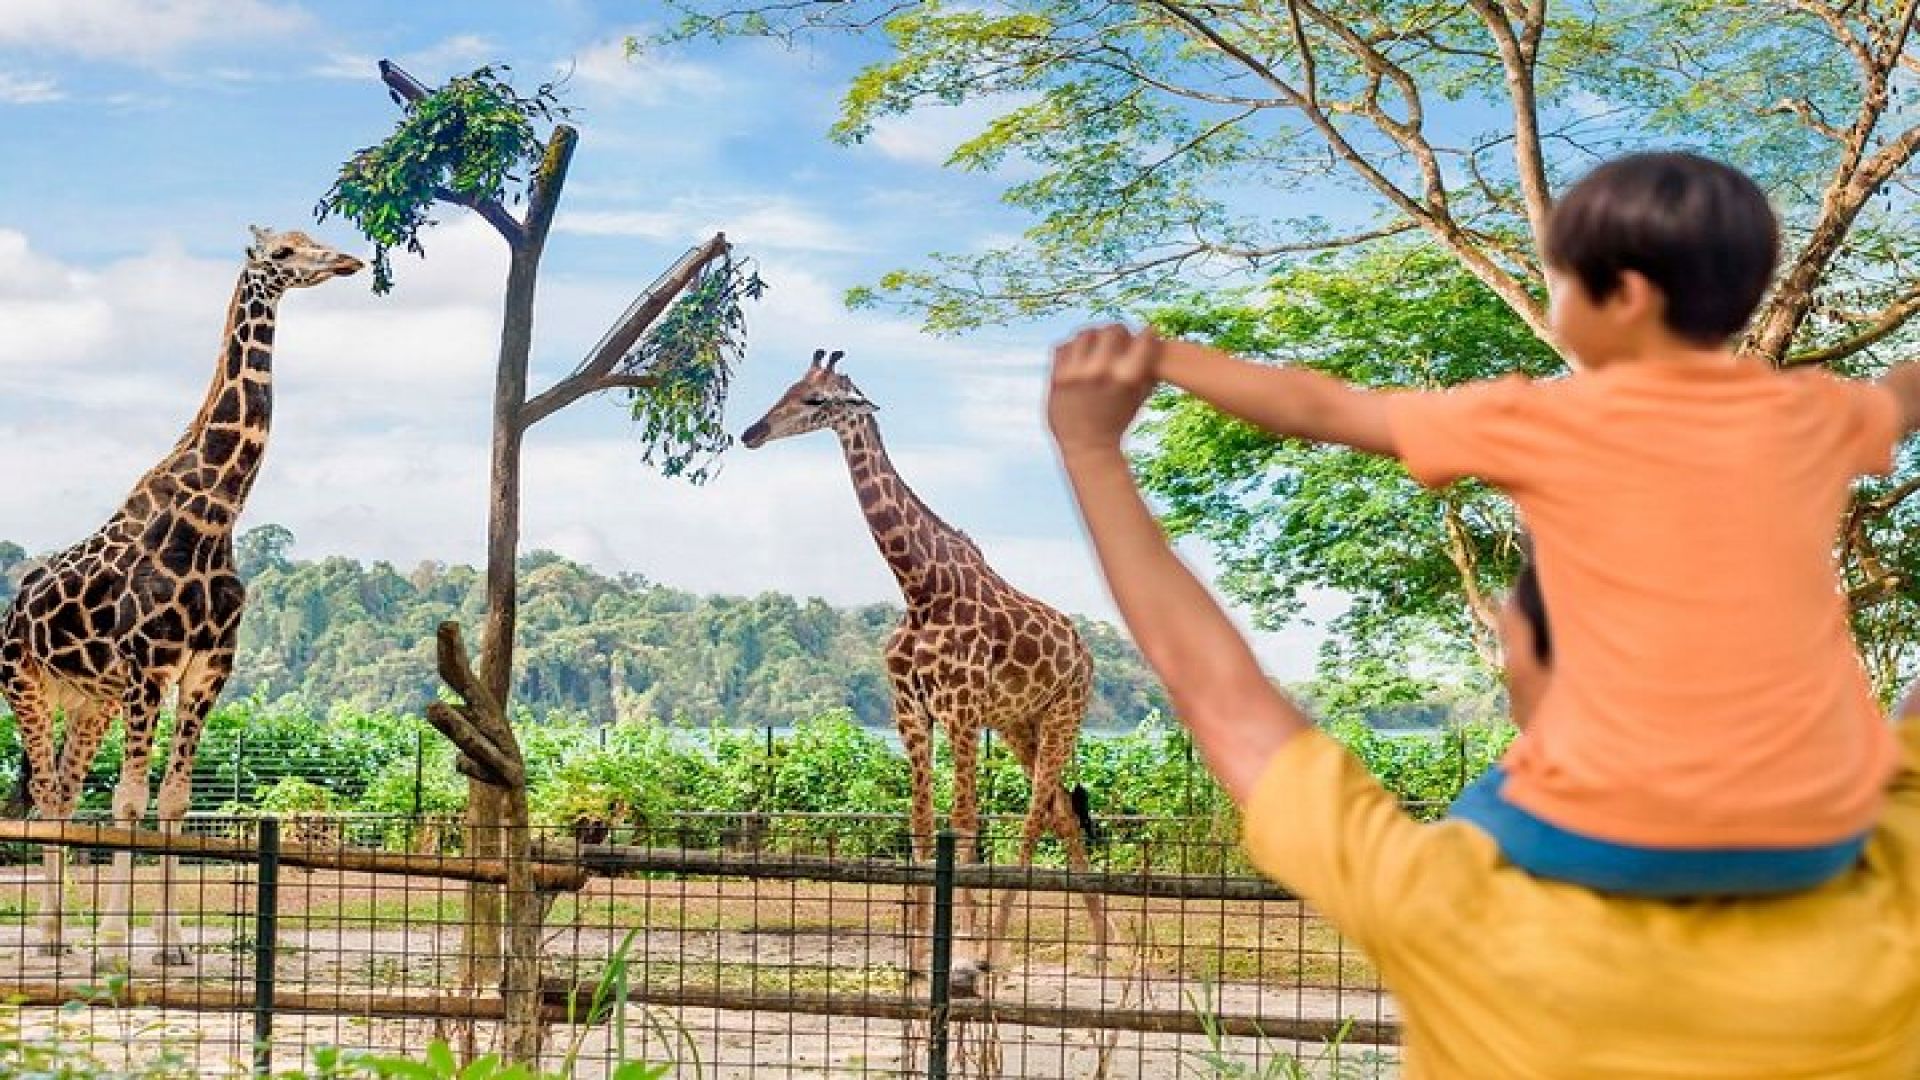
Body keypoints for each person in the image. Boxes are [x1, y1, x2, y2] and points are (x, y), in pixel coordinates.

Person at [1045, 329, 1920, 1074]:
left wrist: (1090, 450)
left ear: (1532, 654)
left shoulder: (1451, 903)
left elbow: (1218, 692)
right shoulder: (1892, 868)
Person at [1115, 152, 1920, 896]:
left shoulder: (1545, 418)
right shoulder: (1815, 414)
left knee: (1461, 840)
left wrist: (1165, 357)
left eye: (1558, 282)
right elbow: (1903, 395)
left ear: (1627, 296)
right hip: (1819, 827)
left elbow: (1322, 408)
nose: (1552, 301)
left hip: (1611, 830)